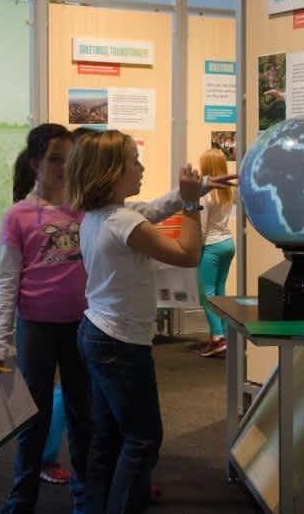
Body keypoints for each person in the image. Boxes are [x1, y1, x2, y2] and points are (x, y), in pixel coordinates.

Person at [66, 130, 236, 513]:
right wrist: (192, 205)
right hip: (119, 344)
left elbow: (157, 208)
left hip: (99, 333)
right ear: (111, 172)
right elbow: (188, 254)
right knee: (143, 439)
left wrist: (200, 188)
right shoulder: (122, 223)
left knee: (109, 436)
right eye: (133, 161)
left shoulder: (103, 216)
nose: (141, 167)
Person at [0, 123, 90, 514]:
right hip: (36, 329)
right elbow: (6, 282)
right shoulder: (18, 216)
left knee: (84, 416)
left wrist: (184, 199)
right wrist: (0, 342)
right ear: (35, 164)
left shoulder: (85, 207)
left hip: (81, 327)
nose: (63, 167)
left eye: (69, 159)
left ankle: (84, 499)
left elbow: (139, 214)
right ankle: (21, 499)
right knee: (33, 418)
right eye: (55, 159)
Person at [197, 148, 236, 358]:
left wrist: (193, 249)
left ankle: (217, 338)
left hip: (210, 246)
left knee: (206, 294)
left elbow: (201, 229)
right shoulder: (228, 191)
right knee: (220, 290)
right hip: (228, 243)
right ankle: (223, 335)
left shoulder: (205, 195)